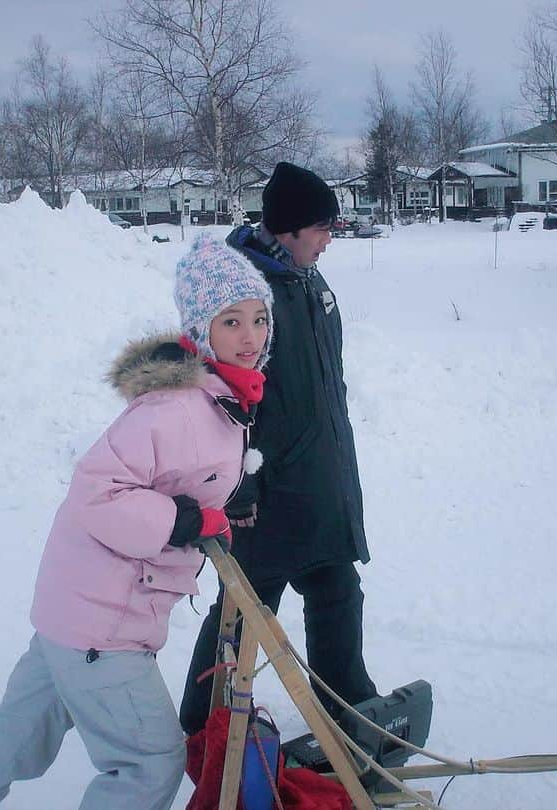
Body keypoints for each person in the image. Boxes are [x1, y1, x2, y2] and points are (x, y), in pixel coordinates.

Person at [0, 233, 273, 810]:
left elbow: (170, 476)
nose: (249, 336)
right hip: (104, 622)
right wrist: (186, 522)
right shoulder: (179, 407)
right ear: (199, 329)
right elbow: (98, 491)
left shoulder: (217, 401)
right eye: (231, 321)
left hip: (72, 612)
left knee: (14, 736)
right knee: (149, 762)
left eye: (259, 320)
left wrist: (218, 506)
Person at [179, 161, 378, 736]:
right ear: (288, 228)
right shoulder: (244, 294)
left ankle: (348, 709)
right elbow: (221, 398)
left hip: (319, 478)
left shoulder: (309, 282)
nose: (329, 237)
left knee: (337, 590)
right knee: (243, 608)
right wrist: (239, 486)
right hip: (263, 493)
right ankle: (203, 718)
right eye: (321, 227)